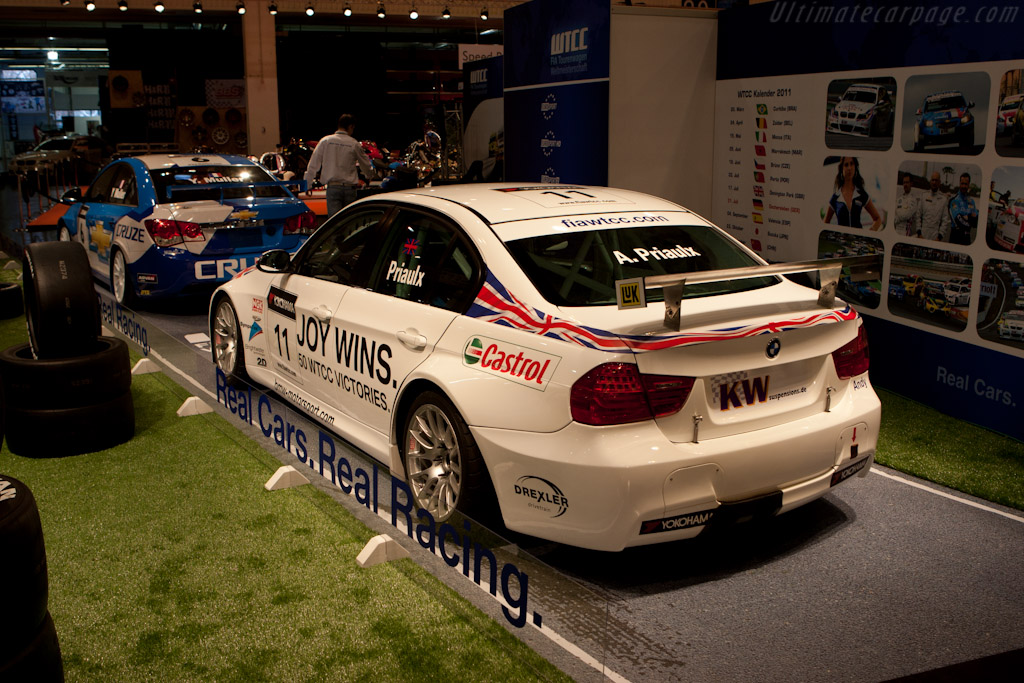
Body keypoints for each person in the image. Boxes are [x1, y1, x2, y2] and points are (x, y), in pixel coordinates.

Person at [305, 114, 374, 217]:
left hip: (333, 187)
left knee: (334, 223)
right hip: (350, 189)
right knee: (349, 221)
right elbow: (366, 165)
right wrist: (369, 176)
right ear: (351, 126)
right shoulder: (354, 143)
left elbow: (313, 164)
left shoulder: (325, 141)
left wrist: (308, 184)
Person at [823, 156, 882, 230]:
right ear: (842, 169)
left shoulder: (861, 194)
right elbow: (825, 223)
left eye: (852, 164)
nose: (849, 168)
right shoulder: (835, 198)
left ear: (855, 167)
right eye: (846, 165)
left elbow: (877, 219)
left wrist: (870, 231)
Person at [918, 171, 950, 241]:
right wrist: (919, 234)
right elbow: (918, 215)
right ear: (930, 181)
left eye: (936, 180)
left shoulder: (943, 199)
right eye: (933, 180)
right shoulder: (924, 195)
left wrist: (939, 237)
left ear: (939, 182)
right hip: (922, 235)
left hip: (935, 237)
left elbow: (945, 221)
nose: (934, 182)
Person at [947, 172, 978, 245]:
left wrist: (967, 217)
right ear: (959, 184)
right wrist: (970, 217)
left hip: (967, 238)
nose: (964, 186)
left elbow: (976, 223)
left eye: (966, 184)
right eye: (962, 183)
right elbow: (959, 221)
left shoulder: (971, 201)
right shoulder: (954, 200)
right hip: (956, 236)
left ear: (968, 185)